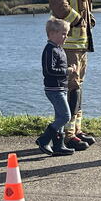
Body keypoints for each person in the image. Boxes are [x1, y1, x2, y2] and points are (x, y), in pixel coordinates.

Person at [41, 0, 97, 151]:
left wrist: (89, 18)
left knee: (78, 88)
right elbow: (58, 5)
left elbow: (82, 5)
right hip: (69, 42)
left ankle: (76, 130)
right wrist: (79, 20)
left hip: (81, 43)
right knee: (72, 88)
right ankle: (67, 135)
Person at [35, 17, 76, 156]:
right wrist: (67, 71)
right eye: (63, 33)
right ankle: (44, 139)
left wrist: (69, 69)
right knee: (65, 116)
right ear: (52, 34)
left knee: (59, 116)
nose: (66, 36)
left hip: (61, 88)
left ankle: (59, 145)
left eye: (66, 33)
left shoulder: (58, 49)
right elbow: (48, 70)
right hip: (54, 89)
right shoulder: (50, 50)